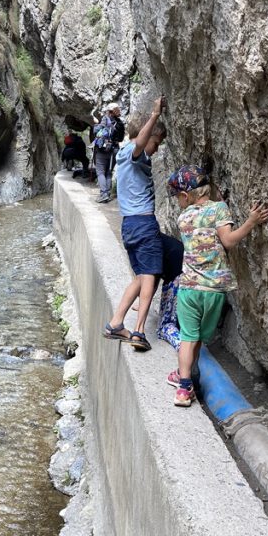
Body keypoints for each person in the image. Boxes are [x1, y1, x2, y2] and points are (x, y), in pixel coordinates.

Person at [166, 165, 268, 407]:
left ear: (185, 196)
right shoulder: (219, 209)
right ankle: (188, 376)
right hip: (214, 289)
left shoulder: (183, 218)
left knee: (187, 337)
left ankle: (183, 386)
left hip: (189, 289)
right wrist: (251, 221)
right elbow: (228, 240)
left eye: (177, 197)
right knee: (200, 337)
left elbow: (211, 232)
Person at [102, 97, 167, 351]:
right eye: (157, 142)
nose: (157, 148)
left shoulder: (121, 155)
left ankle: (116, 324)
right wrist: (154, 115)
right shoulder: (133, 152)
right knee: (151, 274)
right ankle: (138, 332)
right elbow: (141, 143)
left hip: (129, 225)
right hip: (142, 222)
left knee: (140, 277)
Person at [90, 103, 125, 203]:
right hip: (114, 150)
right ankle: (108, 194)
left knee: (100, 171)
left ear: (109, 111)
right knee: (108, 172)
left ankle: (104, 194)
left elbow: (96, 131)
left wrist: (96, 123)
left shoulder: (105, 119)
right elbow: (121, 138)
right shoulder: (120, 123)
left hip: (103, 150)